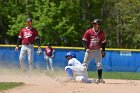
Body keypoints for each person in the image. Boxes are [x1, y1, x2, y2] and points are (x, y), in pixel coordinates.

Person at [82, 19, 106, 83]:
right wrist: (86, 48)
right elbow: (84, 40)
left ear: (99, 25)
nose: (94, 25)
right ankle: (83, 77)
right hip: (89, 51)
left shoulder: (101, 33)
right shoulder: (89, 31)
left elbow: (103, 42)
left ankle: (100, 78)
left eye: (95, 24)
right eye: (93, 23)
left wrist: (103, 50)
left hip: (97, 50)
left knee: (99, 65)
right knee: (84, 64)